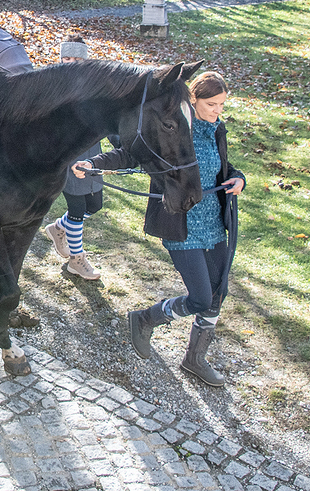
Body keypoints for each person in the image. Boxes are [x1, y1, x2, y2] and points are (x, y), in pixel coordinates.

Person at [74, 70, 245, 386]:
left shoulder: (216, 129)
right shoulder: (173, 129)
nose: (218, 111)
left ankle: (195, 359)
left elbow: (224, 167)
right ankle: (145, 319)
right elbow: (131, 154)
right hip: (181, 225)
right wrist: (94, 164)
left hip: (214, 225)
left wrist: (238, 179)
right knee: (200, 299)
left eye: (222, 104)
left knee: (217, 293)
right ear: (193, 100)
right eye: (211, 104)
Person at [43, 34, 105, 280]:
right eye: (66, 58)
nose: (70, 63)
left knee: (95, 205)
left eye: (76, 59)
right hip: (67, 157)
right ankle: (76, 260)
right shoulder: (52, 86)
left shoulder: (96, 88)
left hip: (93, 156)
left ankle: (58, 227)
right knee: (77, 209)